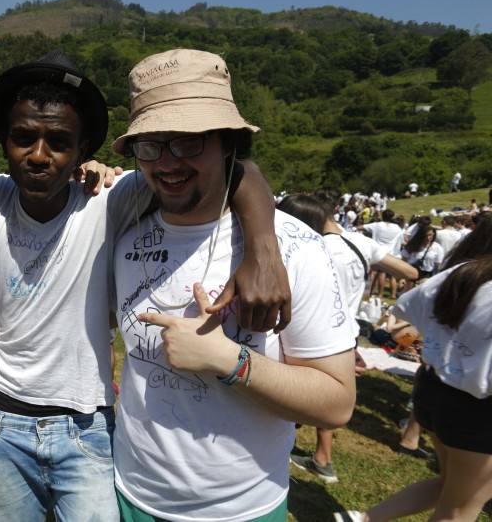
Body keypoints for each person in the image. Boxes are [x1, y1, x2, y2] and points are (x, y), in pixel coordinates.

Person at [0, 51, 290, 521]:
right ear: (4, 141)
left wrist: (263, 247)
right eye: (23, 138)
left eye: (60, 142)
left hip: (85, 428)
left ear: (83, 150)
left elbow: (238, 170)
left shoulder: (109, 200)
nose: (40, 156)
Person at [110, 48, 356, 521]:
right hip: (129, 494)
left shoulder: (294, 248)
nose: (167, 162)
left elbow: (337, 402)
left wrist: (229, 360)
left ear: (227, 142)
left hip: (240, 509)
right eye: (151, 144)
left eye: (188, 141)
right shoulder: (126, 229)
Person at [335, 256, 492, 522]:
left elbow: (409, 308)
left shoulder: (470, 271)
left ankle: (363, 519)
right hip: (476, 407)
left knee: (450, 485)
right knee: (459, 509)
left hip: (433, 388)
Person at [278, 194, 418, 483]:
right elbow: (410, 271)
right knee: (326, 395)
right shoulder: (360, 243)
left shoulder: (305, 246)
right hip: (346, 331)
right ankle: (322, 456)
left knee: (292, 394)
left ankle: (294, 453)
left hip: (305, 329)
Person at [361, 209, 403, 298]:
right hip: (391, 253)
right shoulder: (397, 228)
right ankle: (392, 294)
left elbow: (361, 227)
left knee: (374, 272)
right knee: (390, 275)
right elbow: (400, 240)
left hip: (376, 251)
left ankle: (370, 291)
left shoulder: (377, 225)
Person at [400, 224, 444, 289]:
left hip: (426, 275)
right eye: (426, 235)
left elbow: (437, 265)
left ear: (434, 235)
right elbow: (403, 261)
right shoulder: (412, 245)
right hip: (410, 272)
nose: (428, 237)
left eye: (430, 235)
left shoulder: (437, 248)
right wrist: (402, 277)